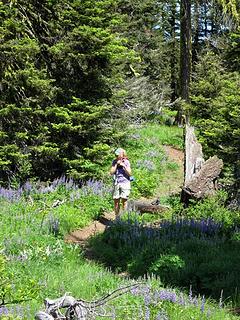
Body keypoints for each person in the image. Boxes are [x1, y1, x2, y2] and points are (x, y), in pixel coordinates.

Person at [110, 148, 131, 217]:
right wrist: (116, 164)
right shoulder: (114, 161)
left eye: (118, 155)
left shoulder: (126, 162)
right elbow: (111, 172)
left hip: (125, 183)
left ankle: (125, 218)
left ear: (122, 155)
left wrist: (123, 165)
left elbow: (129, 173)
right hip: (117, 183)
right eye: (116, 155)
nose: (116, 156)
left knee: (124, 201)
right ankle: (117, 218)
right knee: (116, 201)